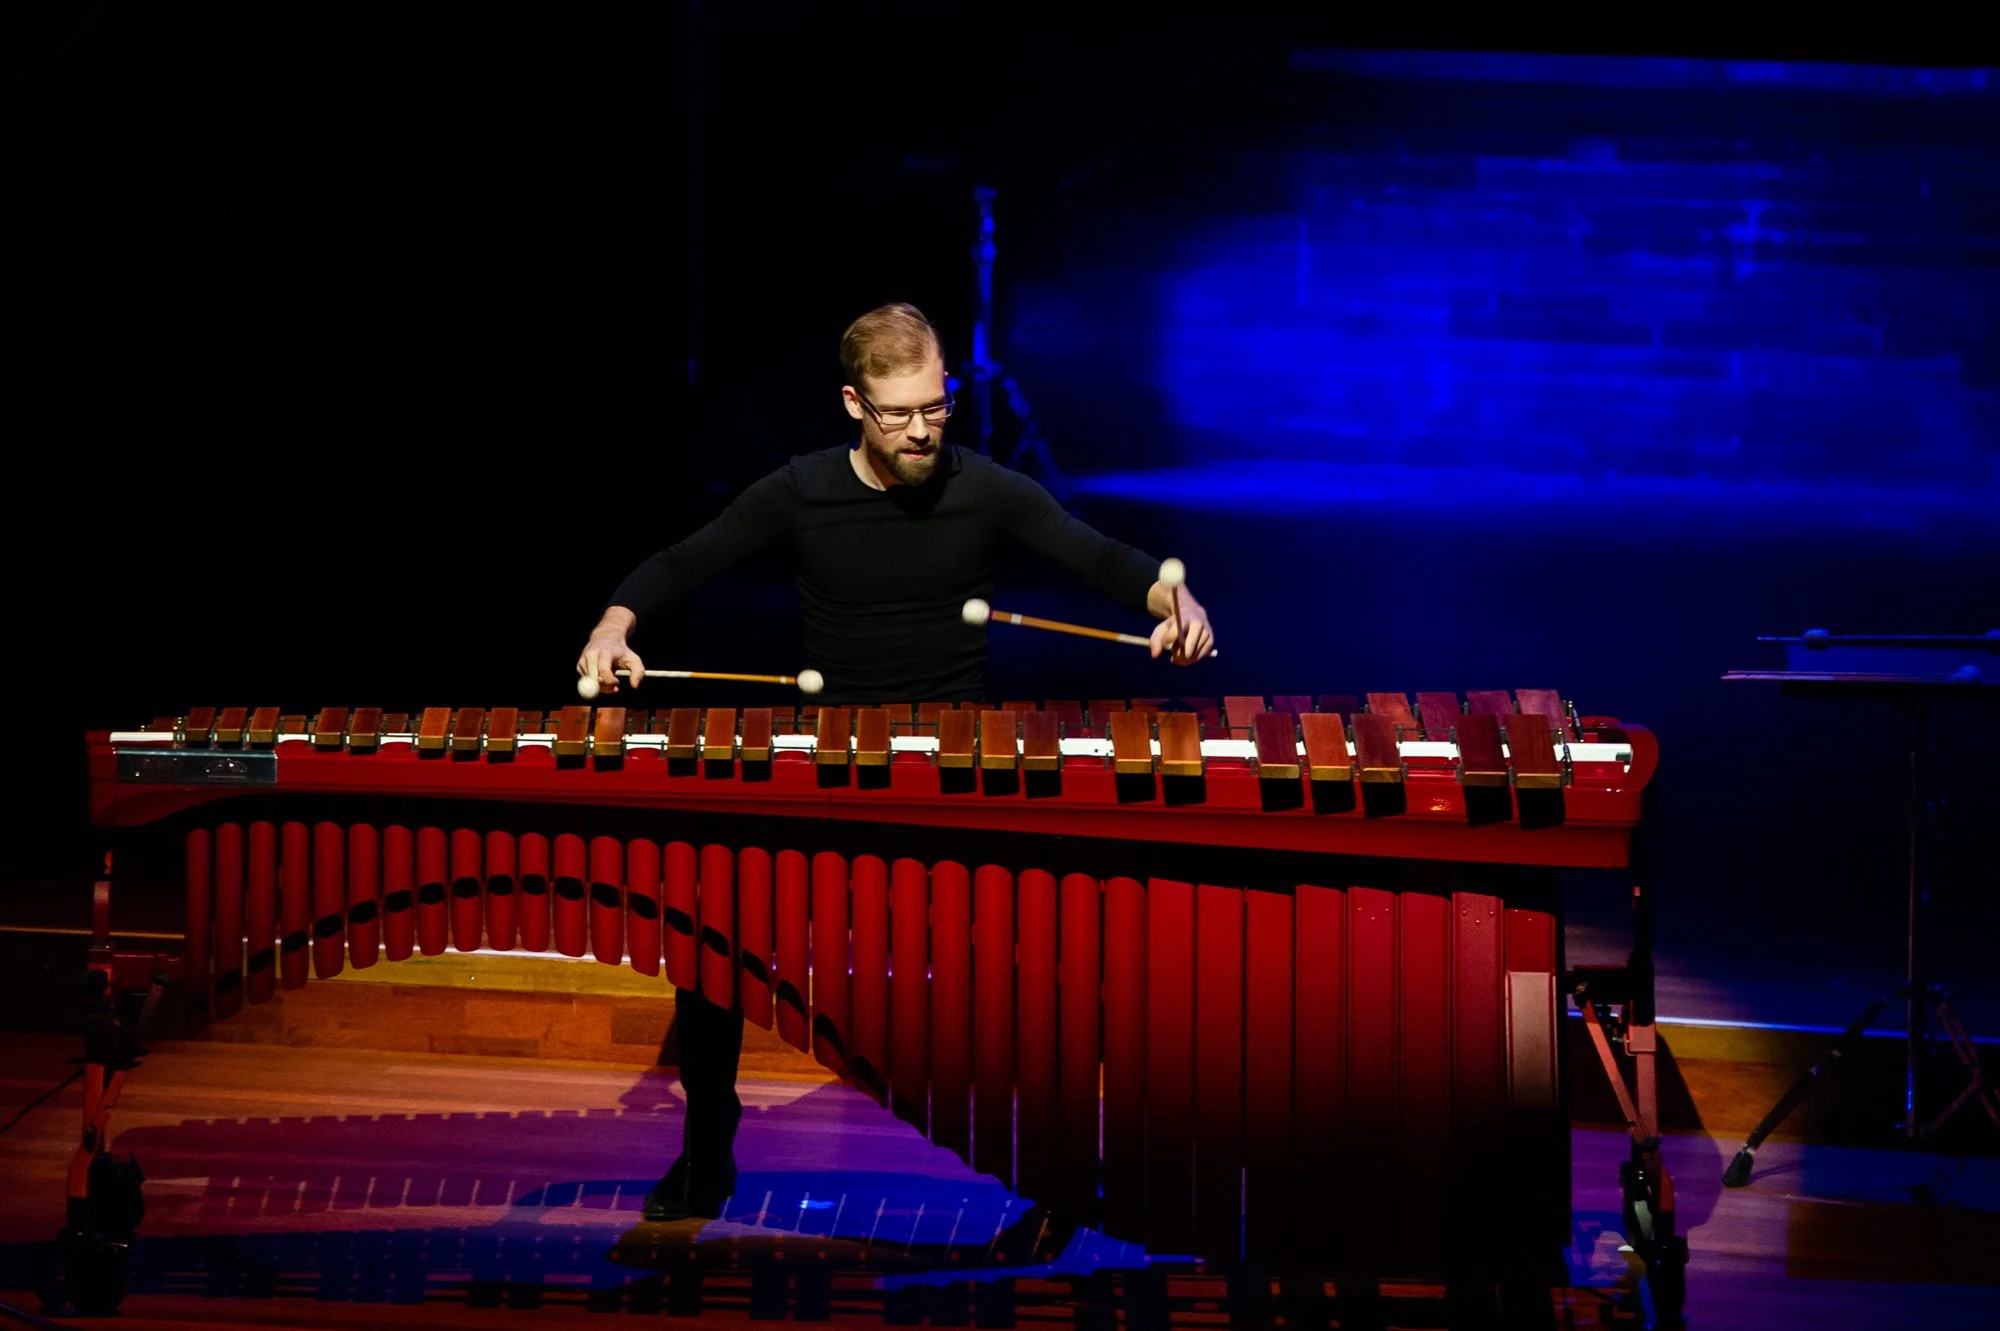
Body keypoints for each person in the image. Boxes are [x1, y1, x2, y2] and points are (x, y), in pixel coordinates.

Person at [575, 302, 1216, 1222]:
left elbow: (1100, 554)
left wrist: (1173, 595)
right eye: (898, 413)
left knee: (1045, 958)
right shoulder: (800, 490)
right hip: (830, 766)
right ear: (852, 404)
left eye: (936, 406)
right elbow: (687, 559)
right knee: (709, 925)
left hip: (955, 776)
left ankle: (1061, 1169)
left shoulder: (986, 488)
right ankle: (708, 1148)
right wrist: (615, 621)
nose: (921, 431)